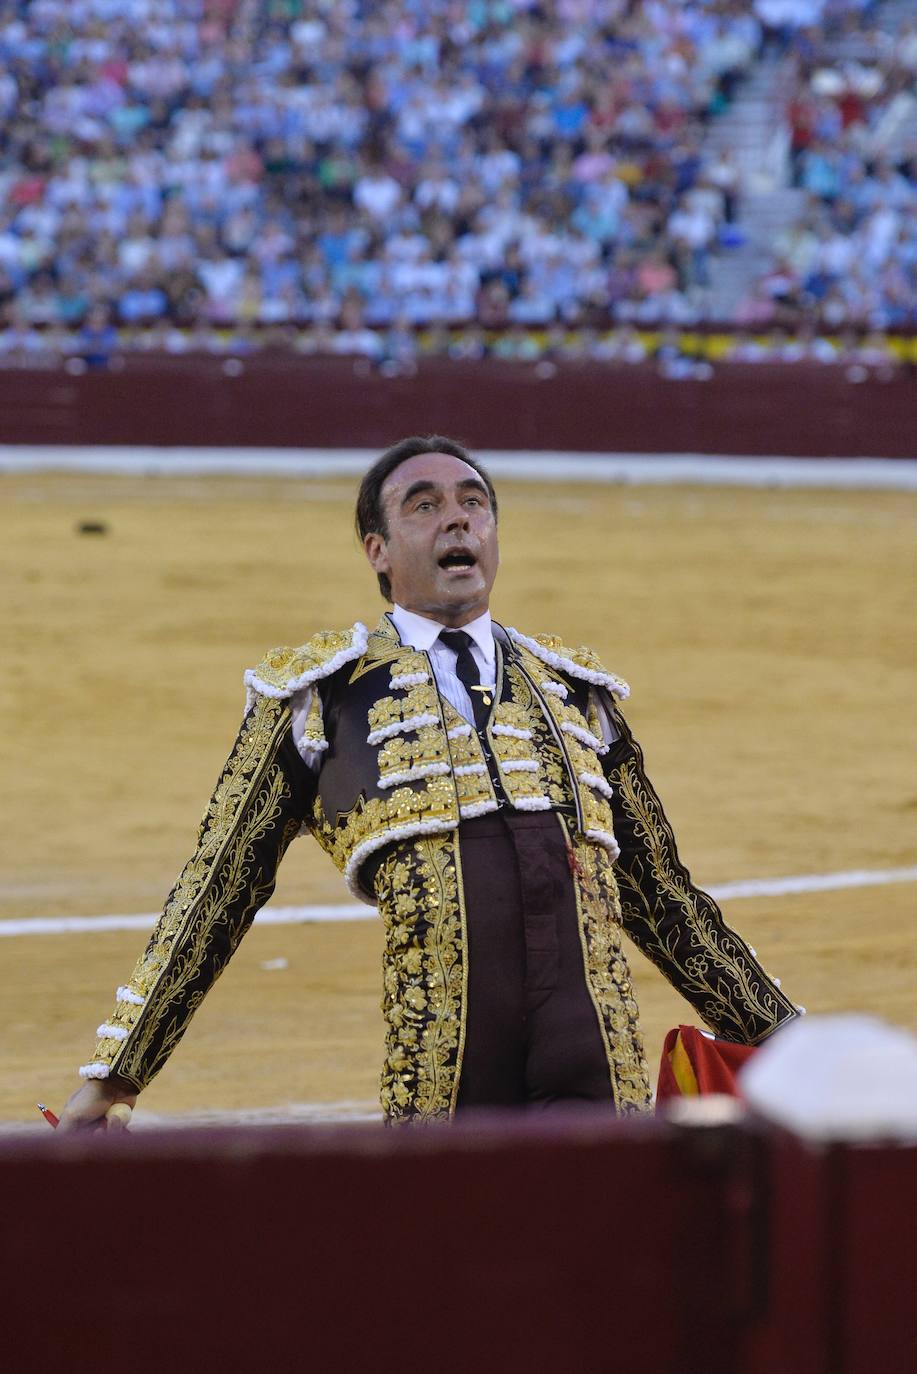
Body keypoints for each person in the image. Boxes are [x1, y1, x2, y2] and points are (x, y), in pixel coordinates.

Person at [60, 436, 799, 1128]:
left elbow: (661, 895)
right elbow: (218, 888)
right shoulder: (320, 698)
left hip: (593, 1057)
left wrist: (785, 1036)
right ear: (377, 551)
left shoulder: (575, 694)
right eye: (425, 504)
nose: (457, 519)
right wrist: (117, 1073)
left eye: (474, 503)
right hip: (441, 1066)